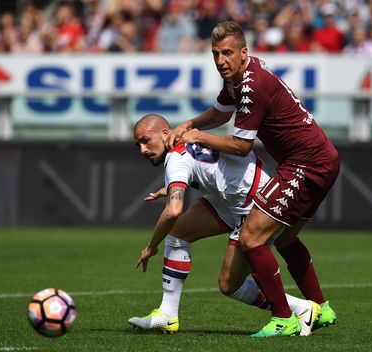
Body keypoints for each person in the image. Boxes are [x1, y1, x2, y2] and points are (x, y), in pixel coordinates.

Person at [169, 21, 339, 337]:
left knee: (252, 237)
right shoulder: (237, 79)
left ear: (244, 53)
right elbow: (220, 114)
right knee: (284, 238)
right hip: (320, 160)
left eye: (228, 53)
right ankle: (320, 307)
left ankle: (284, 318)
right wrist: (192, 123)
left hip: (306, 164)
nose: (221, 60)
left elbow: (241, 145)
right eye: (216, 54)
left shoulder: (250, 85)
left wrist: (198, 138)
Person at [129, 114, 321, 336]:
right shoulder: (187, 141)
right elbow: (210, 167)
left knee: (229, 285)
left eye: (145, 140)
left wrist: (151, 247)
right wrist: (170, 188)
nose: (142, 150)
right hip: (238, 197)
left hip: (256, 205)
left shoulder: (175, 156)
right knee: (178, 233)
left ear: (165, 133)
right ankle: (167, 315)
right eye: (138, 145)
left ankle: (302, 309)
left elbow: (173, 211)